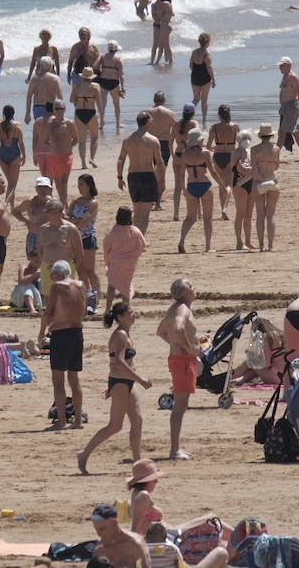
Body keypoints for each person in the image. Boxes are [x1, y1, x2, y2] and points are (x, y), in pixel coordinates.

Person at [76, 300, 150, 473]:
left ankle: (137, 462)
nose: (134, 315)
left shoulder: (126, 333)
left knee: (137, 421)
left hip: (126, 383)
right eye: (130, 313)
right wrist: (140, 379)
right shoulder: (120, 335)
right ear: (120, 317)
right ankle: (84, 454)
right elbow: (119, 362)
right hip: (121, 383)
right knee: (115, 426)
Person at [156, 278, 200, 461]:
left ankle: (176, 448)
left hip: (180, 359)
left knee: (181, 405)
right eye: (191, 286)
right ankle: (174, 450)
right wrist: (189, 348)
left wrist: (176, 344)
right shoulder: (182, 309)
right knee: (180, 406)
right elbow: (177, 328)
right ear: (184, 292)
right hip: (182, 361)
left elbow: (161, 331)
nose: (195, 288)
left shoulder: (175, 308)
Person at [41, 260, 88, 430]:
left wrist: (41, 333)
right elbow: (84, 310)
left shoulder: (57, 287)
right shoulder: (81, 285)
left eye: (53, 275)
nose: (52, 279)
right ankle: (77, 421)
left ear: (58, 273)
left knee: (58, 380)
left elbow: (48, 312)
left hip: (61, 335)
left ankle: (61, 421)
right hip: (77, 333)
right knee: (74, 379)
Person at [117, 112, 163, 233]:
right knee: (145, 215)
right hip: (147, 175)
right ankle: (140, 238)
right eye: (151, 119)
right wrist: (161, 179)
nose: (152, 120)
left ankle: (134, 238)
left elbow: (121, 159)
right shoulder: (153, 140)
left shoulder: (127, 140)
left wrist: (120, 177)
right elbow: (159, 162)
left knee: (137, 213)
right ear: (147, 122)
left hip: (133, 176)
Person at [177, 130, 214, 253]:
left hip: (191, 186)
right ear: (200, 140)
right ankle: (208, 247)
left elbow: (181, 174)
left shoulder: (184, 154)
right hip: (205, 185)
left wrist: (184, 190)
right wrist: (223, 186)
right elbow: (213, 171)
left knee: (190, 218)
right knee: (208, 218)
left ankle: (181, 241)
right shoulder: (205, 153)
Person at [250, 123, 281, 250]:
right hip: (272, 181)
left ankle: (261, 245)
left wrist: (261, 180)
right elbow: (277, 166)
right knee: (270, 216)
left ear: (260, 136)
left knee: (260, 215)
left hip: (259, 181)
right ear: (271, 135)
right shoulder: (276, 149)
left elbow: (254, 169)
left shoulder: (254, 149)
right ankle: (271, 245)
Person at [275, 57, 299, 161]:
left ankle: (275, 156)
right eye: (280, 66)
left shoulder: (293, 77)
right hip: (285, 106)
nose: (280, 67)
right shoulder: (285, 76)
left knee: (282, 132)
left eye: (282, 65)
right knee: (295, 132)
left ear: (289, 65)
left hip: (292, 106)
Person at [189, 33, 216, 126]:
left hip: (194, 77)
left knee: (196, 99)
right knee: (204, 100)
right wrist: (213, 79)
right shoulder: (206, 53)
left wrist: (196, 73)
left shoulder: (194, 52)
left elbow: (191, 66)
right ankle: (204, 121)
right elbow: (209, 67)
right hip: (205, 78)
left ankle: (189, 116)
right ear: (207, 42)